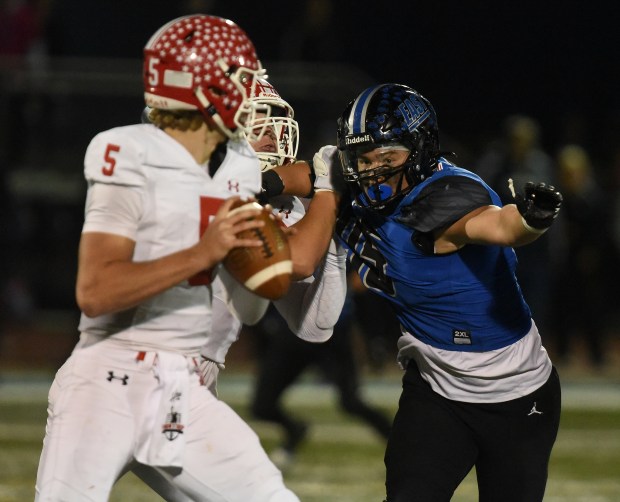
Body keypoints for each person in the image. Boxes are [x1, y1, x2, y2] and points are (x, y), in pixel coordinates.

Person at [35, 14, 303, 502]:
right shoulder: (126, 151)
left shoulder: (233, 170)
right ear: (200, 86)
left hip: (180, 386)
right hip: (104, 383)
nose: (254, 92)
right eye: (240, 77)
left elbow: (249, 309)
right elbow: (95, 292)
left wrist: (260, 259)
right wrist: (206, 249)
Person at [272, 83, 564, 502]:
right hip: (434, 387)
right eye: (364, 158)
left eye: (387, 157)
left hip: (515, 393)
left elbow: (499, 225)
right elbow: (310, 174)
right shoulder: (361, 178)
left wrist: (532, 220)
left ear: (420, 149)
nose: (372, 170)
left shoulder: (445, 197)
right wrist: (254, 181)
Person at [199, 78, 349, 465]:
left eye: (274, 126)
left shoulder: (270, 198)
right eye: (257, 124)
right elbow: (297, 262)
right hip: (143, 361)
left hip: (193, 373)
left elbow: (315, 327)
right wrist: (327, 195)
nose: (271, 136)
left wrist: (330, 241)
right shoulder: (207, 181)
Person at [250, 267, 393, 470]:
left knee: (351, 402)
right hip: (294, 332)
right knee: (262, 406)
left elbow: (360, 287)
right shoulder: (286, 238)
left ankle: (398, 442)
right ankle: (294, 430)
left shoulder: (340, 241)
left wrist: (374, 338)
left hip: (333, 335)